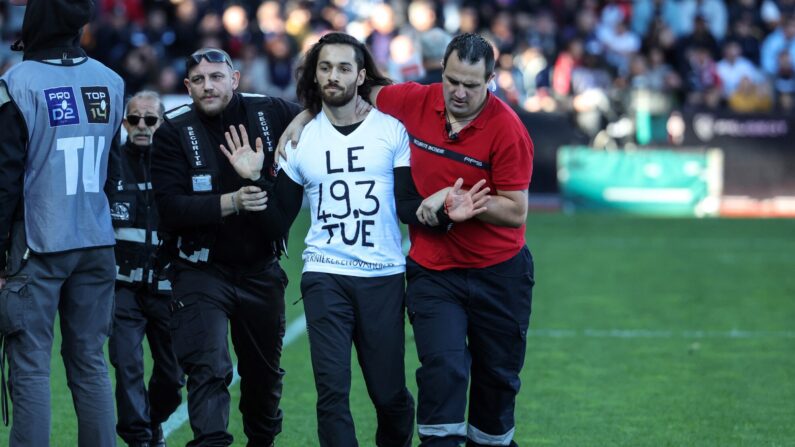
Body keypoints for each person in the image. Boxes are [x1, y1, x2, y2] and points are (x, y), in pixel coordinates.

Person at [280, 33, 535, 446]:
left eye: (472, 85)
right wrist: (306, 114)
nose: (459, 92)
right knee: (442, 369)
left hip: (498, 272)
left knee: (497, 379)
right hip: (434, 272)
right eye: (452, 80)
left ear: (491, 80)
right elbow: (348, 87)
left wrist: (464, 203)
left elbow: (516, 210)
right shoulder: (413, 100)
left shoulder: (508, 129)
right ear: (442, 71)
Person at [150, 47, 300, 447]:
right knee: (208, 369)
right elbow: (168, 207)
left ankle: (262, 439)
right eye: (198, 80)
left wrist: (299, 125)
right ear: (187, 87)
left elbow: (312, 111)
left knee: (263, 378)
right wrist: (230, 202)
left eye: (216, 77)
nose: (207, 86)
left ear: (234, 79)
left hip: (261, 269)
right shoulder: (172, 130)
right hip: (200, 270)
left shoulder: (269, 111)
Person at [0, 0, 124, 445]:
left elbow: (5, 179)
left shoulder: (16, 82)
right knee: (90, 361)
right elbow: (114, 170)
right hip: (96, 240)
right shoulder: (111, 81)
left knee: (30, 365)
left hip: (38, 244)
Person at [108, 91, 184, 447]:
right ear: (124, 122)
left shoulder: (175, 164)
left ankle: (153, 420)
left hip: (168, 288)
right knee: (127, 367)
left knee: (172, 379)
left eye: (150, 120)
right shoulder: (109, 163)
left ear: (162, 122)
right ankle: (139, 438)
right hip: (122, 288)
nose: (142, 126)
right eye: (134, 119)